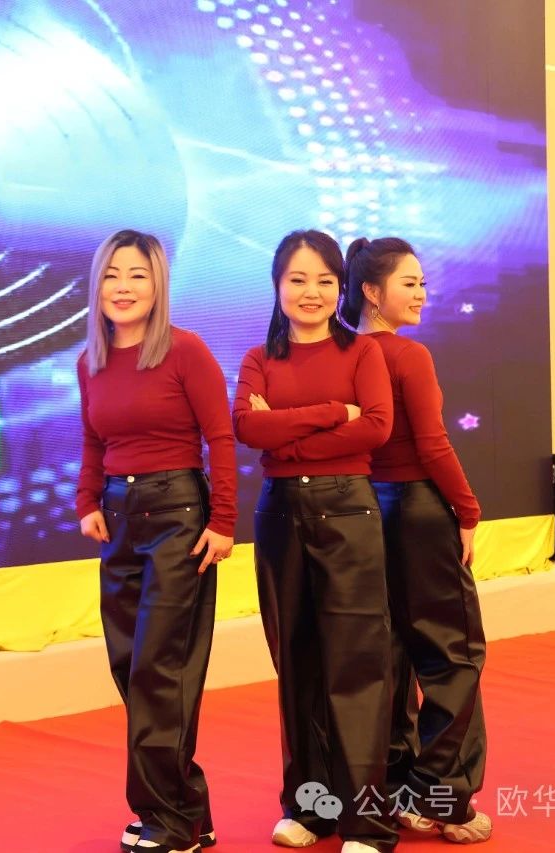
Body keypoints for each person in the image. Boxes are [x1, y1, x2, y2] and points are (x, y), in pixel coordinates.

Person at [233, 230, 397, 853]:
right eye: (297, 280)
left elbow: (376, 428)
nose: (312, 292)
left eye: (325, 281)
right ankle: (310, 807)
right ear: (277, 286)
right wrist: (332, 413)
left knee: (356, 666)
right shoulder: (258, 357)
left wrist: (286, 436)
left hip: (348, 512)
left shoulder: (362, 352)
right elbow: (247, 428)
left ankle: (367, 822)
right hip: (280, 516)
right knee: (296, 665)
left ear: (341, 287)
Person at [75, 229, 236, 853]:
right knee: (129, 665)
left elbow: (220, 438)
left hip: (179, 517)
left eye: (137, 274)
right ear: (97, 285)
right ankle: (187, 809)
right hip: (119, 519)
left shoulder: (185, 351)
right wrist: (88, 500)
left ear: (158, 284)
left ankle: (166, 820)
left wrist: (223, 521)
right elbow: (94, 440)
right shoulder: (90, 361)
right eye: (112, 275)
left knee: (159, 670)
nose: (123, 287)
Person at [341, 237, 491, 844]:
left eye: (423, 282)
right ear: (372, 292)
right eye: (410, 283)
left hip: (365, 513)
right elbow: (433, 444)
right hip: (421, 513)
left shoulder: (342, 353)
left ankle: (400, 788)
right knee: (454, 656)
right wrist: (469, 511)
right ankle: (442, 798)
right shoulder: (407, 355)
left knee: (393, 655)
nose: (423, 294)